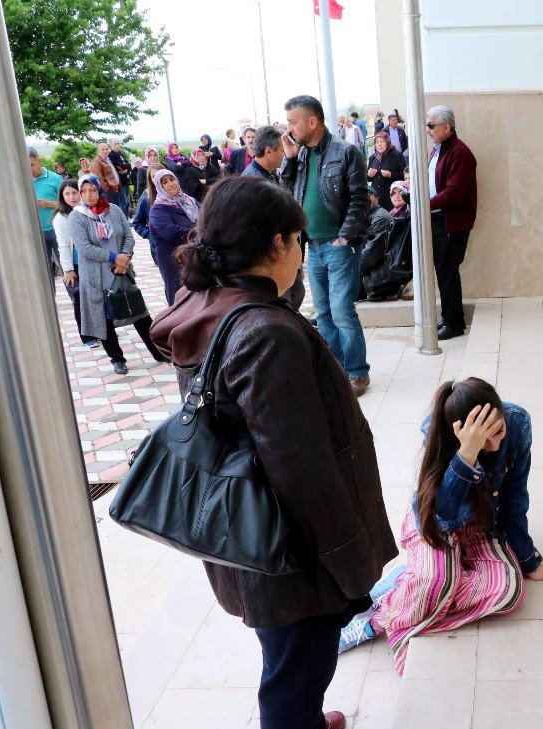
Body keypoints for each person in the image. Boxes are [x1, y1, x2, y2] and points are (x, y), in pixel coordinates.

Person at [150, 175, 398, 729]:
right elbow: (301, 471)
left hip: (250, 535)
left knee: (288, 658)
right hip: (291, 552)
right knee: (297, 670)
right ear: (279, 245)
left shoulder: (207, 300)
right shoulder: (266, 332)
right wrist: (349, 563)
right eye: (299, 241)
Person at [337, 378, 543, 671]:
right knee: (440, 583)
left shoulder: (518, 423)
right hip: (435, 527)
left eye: (498, 431)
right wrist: (466, 454)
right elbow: (442, 515)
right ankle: (373, 623)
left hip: (482, 527)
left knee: (508, 592)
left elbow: (515, 499)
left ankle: (405, 588)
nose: (495, 445)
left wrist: (529, 561)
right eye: (484, 439)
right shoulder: (438, 431)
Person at [283, 95, 372, 396]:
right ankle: (337, 371)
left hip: (338, 245)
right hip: (312, 244)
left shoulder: (345, 152)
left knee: (342, 310)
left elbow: (360, 198)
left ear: (312, 121)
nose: (289, 128)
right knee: (323, 312)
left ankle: (357, 372)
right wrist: (290, 159)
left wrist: (344, 237)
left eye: (293, 122)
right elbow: (288, 192)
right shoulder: (301, 154)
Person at [68, 174, 168, 374]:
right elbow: (85, 248)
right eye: (84, 191)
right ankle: (117, 359)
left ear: (99, 190)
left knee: (139, 313)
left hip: (121, 272)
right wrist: (115, 257)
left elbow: (128, 236)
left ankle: (159, 352)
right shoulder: (77, 216)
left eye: (92, 190)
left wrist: (125, 258)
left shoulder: (113, 210)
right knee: (104, 320)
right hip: (97, 277)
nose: (88, 195)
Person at [426, 105, 477, 341]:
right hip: (439, 218)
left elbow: (454, 193)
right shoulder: (439, 149)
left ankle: (454, 322)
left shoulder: (459, 152)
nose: (427, 130)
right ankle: (449, 317)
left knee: (447, 271)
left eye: (430, 125)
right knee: (443, 270)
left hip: (451, 222)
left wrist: (424, 203)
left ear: (446, 127)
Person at [243, 126, 305, 309]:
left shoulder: (269, 175)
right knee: (283, 301)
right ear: (268, 151)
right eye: (280, 150)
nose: (283, 155)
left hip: (283, 249)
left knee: (296, 293)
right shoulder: (252, 182)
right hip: (271, 255)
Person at [54, 178, 101, 348]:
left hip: (93, 260)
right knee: (80, 299)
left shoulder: (89, 210)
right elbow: (63, 245)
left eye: (74, 192)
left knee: (97, 296)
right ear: (62, 196)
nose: (72, 197)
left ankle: (102, 330)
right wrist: (67, 269)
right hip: (75, 264)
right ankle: (87, 336)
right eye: (67, 194)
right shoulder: (61, 218)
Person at [149, 168, 198, 305]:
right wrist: (198, 231)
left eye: (172, 179)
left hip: (193, 257)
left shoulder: (189, 201)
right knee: (179, 299)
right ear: (159, 187)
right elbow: (171, 232)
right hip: (173, 261)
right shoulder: (158, 209)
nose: (170, 184)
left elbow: (205, 217)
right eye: (165, 182)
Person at [359, 185, 411, 301]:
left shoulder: (381, 218)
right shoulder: (366, 218)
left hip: (380, 279)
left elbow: (370, 255)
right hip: (372, 275)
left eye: (369, 194)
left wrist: (349, 269)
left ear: (377, 198)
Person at [30, 147, 62, 280]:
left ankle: (75, 298)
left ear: (40, 161)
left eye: (32, 164)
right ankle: (50, 299)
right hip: (36, 231)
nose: (30, 168)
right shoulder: (23, 181)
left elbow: (69, 205)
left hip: (56, 230)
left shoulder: (56, 179)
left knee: (65, 265)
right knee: (45, 272)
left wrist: (49, 204)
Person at [132, 163, 165, 264]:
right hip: (159, 246)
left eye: (160, 174)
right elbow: (137, 223)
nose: (157, 178)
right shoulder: (146, 198)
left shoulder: (176, 195)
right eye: (154, 176)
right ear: (150, 179)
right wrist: (150, 235)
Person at [367, 134, 403, 211]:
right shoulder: (372, 158)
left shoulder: (396, 156)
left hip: (391, 197)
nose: (379, 144)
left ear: (387, 142)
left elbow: (404, 175)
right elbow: (367, 178)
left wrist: (391, 175)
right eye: (377, 142)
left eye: (382, 141)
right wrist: (369, 175)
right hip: (377, 197)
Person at [108, 138, 133, 215]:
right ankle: (123, 221)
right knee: (123, 202)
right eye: (115, 144)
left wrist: (126, 168)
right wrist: (127, 166)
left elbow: (129, 166)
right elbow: (120, 166)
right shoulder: (111, 155)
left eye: (118, 144)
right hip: (120, 183)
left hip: (126, 182)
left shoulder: (120, 154)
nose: (117, 145)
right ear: (111, 145)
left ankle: (126, 220)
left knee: (127, 202)